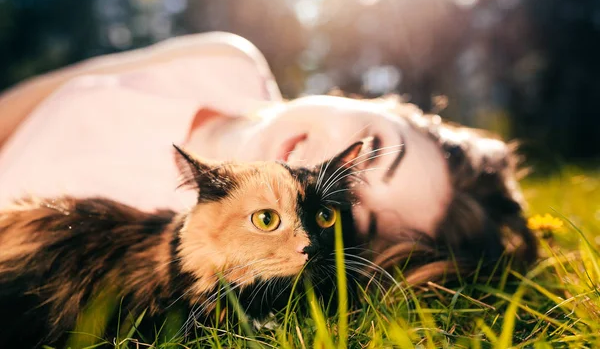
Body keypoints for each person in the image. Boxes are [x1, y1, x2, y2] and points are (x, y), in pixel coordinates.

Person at [0, 32, 536, 283]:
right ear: (364, 101)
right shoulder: (224, 59)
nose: (330, 174)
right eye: (369, 148)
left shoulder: (177, 261)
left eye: (352, 211)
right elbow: (20, 104)